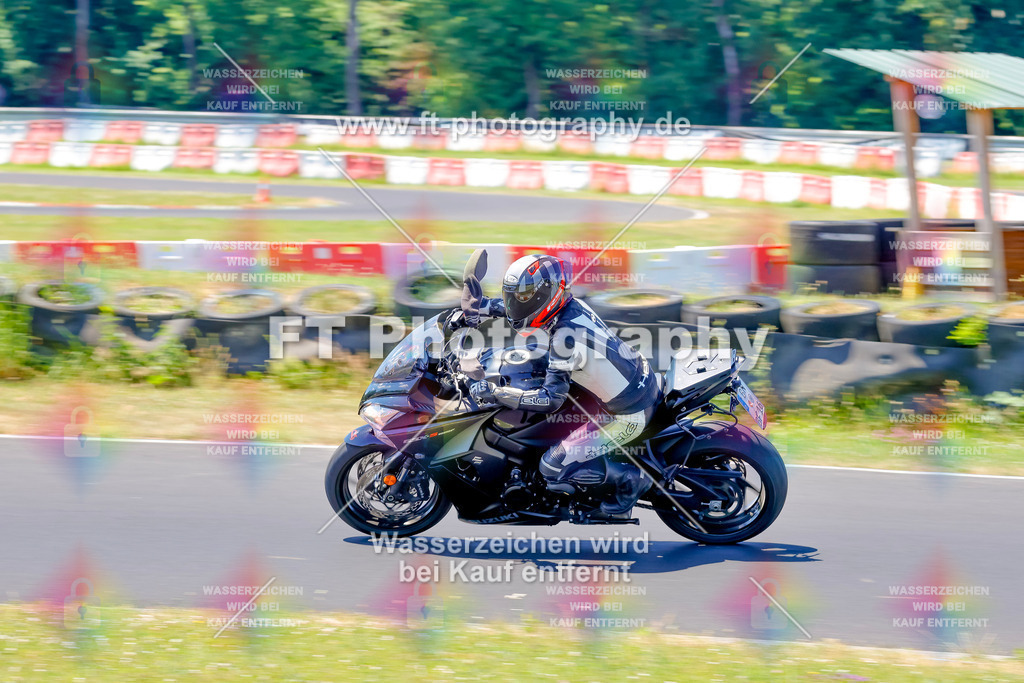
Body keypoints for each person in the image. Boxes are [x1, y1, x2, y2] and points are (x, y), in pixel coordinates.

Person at [448, 253, 662, 516]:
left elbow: (550, 399)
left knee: (552, 466)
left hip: (629, 414)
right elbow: (519, 308)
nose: (517, 302)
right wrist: (478, 309)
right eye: (515, 295)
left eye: (525, 295)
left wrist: (498, 393)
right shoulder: (570, 305)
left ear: (545, 294)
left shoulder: (564, 339)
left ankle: (631, 480)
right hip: (633, 379)